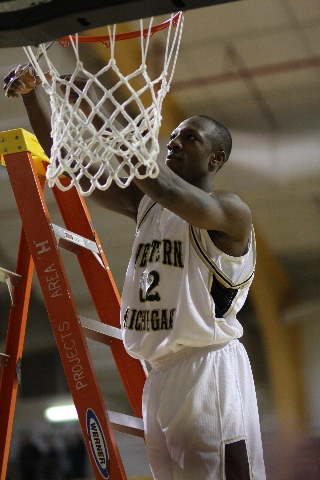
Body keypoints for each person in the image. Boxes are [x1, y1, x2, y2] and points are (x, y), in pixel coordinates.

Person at [4, 66, 266, 480]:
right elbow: (67, 165)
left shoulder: (229, 211)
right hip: (158, 374)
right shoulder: (146, 204)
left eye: (190, 138)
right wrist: (35, 96)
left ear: (216, 159)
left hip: (207, 371)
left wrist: (95, 105)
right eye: (174, 134)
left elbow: (164, 187)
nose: (175, 142)